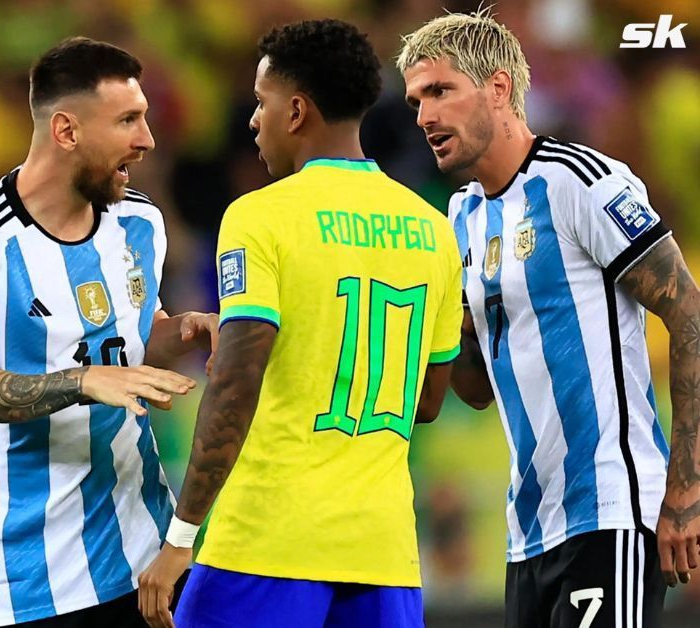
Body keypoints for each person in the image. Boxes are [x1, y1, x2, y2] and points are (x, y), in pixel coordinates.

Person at [137, 20, 461, 628]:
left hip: (267, 542)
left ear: (295, 110)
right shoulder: (433, 229)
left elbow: (235, 382)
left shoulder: (260, 217)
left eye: (261, 103)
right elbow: (426, 400)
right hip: (383, 555)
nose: (253, 120)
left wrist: (182, 537)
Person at [397, 11, 700, 627]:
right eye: (415, 100)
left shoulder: (579, 183)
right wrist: (443, 319)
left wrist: (685, 491)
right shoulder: (460, 219)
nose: (424, 116)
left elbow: (689, 314)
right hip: (528, 532)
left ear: (499, 89)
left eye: (440, 91)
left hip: (611, 511)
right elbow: (477, 391)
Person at [0, 37, 218, 628]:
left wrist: (181, 332)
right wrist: (83, 382)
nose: (147, 140)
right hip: (27, 572)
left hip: (144, 548)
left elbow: (129, 336)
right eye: (128, 120)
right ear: (66, 130)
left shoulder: (140, 222)